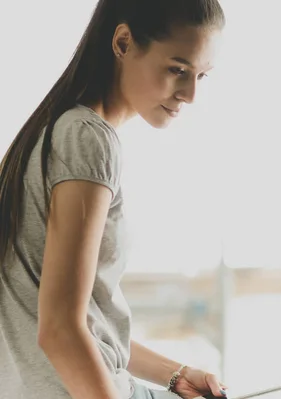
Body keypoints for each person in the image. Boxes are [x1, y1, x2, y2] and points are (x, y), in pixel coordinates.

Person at [0, 0, 226, 398]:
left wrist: (175, 375)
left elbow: (81, 324)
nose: (190, 94)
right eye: (178, 69)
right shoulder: (89, 138)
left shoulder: (48, 134)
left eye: (202, 76)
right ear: (122, 42)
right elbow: (59, 330)